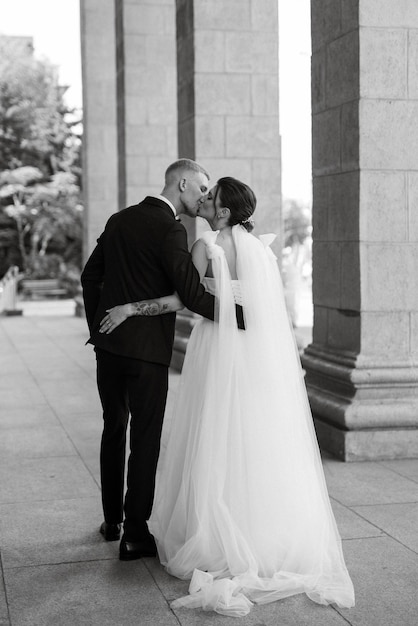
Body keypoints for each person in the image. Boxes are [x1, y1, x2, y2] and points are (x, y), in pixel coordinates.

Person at [99, 177, 355, 616]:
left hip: (217, 347)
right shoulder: (259, 250)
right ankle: (261, 528)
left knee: (212, 429)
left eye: (210, 195)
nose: (204, 198)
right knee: (252, 432)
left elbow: (183, 299)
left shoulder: (205, 245)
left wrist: (127, 307)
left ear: (221, 210)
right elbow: (267, 310)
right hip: (253, 351)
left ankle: (213, 531)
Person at [81, 159, 219, 561]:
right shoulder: (171, 228)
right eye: (201, 189)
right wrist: (242, 316)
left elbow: (91, 277)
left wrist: (99, 325)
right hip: (148, 355)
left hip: (108, 349)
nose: (203, 198)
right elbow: (190, 293)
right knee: (144, 440)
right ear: (182, 183)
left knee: (113, 428)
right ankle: (135, 534)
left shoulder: (119, 219)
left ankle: (112, 521)